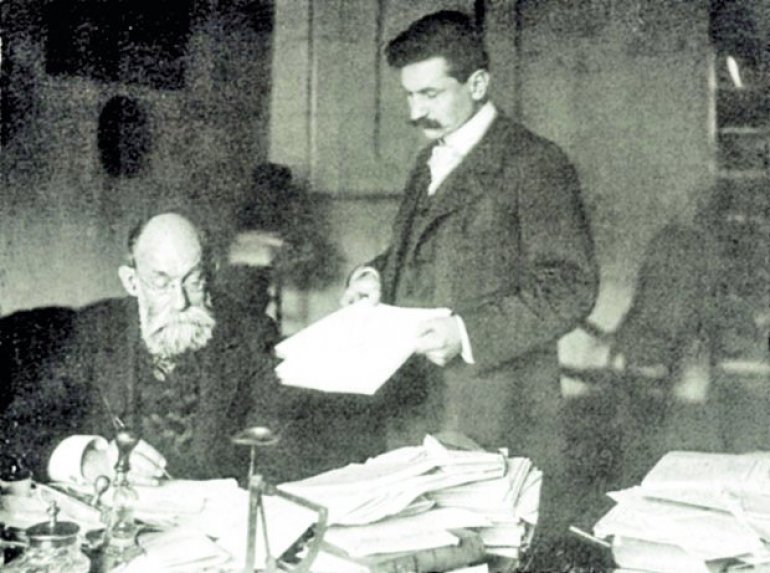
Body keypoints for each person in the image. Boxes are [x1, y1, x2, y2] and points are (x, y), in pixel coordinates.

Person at [341, 9, 598, 551]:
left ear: (478, 84)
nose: (416, 111)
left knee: (484, 553)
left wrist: (465, 333)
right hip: (414, 406)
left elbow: (570, 285)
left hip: (494, 413)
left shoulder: (535, 162)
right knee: (412, 548)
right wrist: (373, 276)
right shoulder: (429, 160)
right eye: (409, 95)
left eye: (430, 94)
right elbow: (419, 251)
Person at [11, 212, 283, 484]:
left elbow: (281, 447)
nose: (180, 302)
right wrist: (92, 460)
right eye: (161, 283)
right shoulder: (94, 331)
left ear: (211, 272)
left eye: (193, 280)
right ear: (132, 281)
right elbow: (13, 431)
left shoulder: (252, 334)